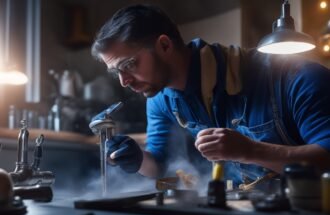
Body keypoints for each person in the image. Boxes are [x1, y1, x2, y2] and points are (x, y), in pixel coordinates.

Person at [90, 4, 330, 188]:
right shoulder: (159, 100)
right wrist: (137, 159)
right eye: (116, 72)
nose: (124, 81)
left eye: (129, 65)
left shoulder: (296, 77)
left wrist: (251, 151)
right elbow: (159, 164)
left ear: (164, 45)